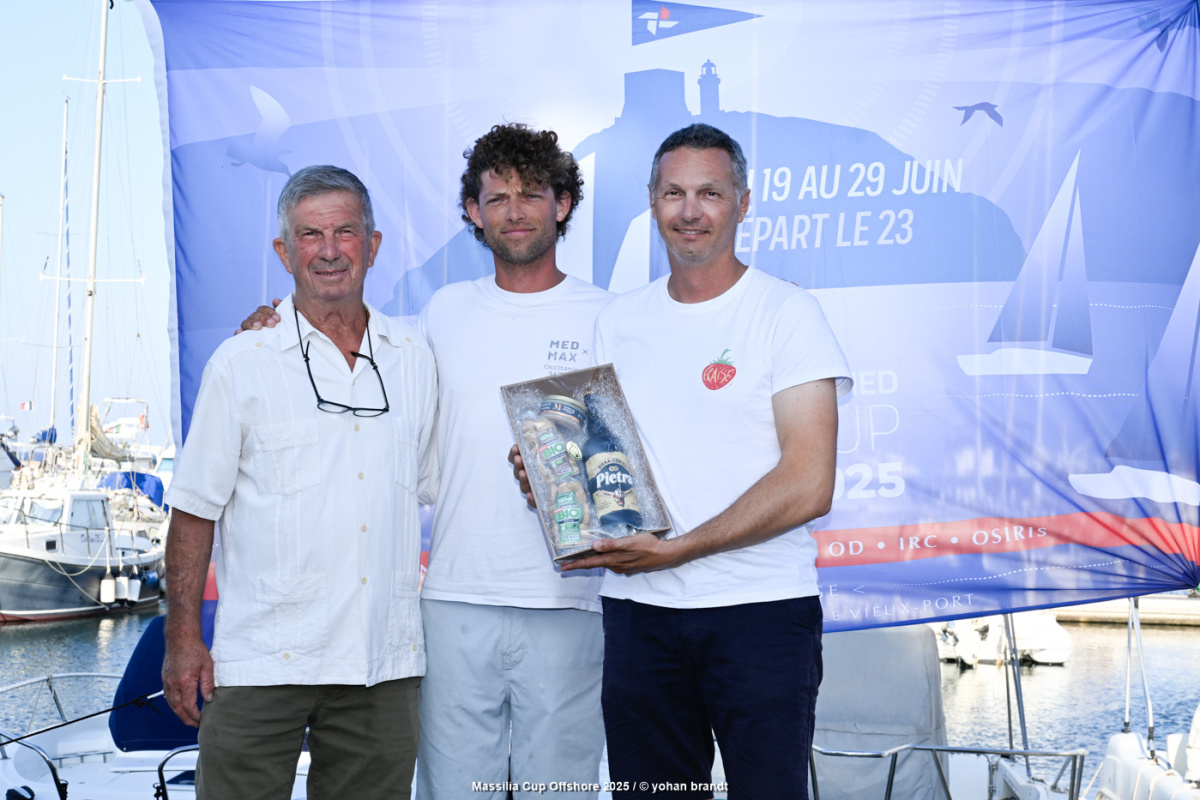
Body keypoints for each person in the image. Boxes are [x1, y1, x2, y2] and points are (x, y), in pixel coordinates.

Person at [239, 125, 612, 800]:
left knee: (561, 791)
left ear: (562, 203)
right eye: (497, 198)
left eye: (532, 194)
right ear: (474, 211)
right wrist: (275, 326)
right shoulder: (444, 311)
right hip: (450, 601)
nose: (515, 211)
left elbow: (624, 466)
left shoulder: (609, 316)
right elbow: (349, 352)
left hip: (570, 600)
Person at [511, 123, 851, 799]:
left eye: (710, 193)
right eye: (674, 193)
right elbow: (601, 463)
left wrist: (681, 550)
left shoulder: (786, 313)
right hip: (639, 614)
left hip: (759, 610)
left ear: (742, 204)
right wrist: (551, 478)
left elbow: (809, 483)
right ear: (652, 201)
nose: (690, 210)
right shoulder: (618, 320)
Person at [162, 165, 438, 800]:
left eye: (346, 232)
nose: (330, 250)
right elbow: (194, 511)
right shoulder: (242, 362)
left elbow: (437, 483)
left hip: (382, 664)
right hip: (263, 663)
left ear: (373, 245)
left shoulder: (414, 360)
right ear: (285, 253)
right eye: (311, 235)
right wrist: (182, 640)